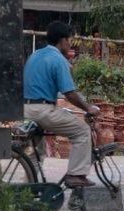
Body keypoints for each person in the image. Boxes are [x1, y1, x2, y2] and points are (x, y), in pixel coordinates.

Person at [23, 21, 102, 188]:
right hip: (43, 110)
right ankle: (76, 175)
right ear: (62, 40)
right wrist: (88, 108)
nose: (71, 44)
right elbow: (69, 93)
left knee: (37, 153)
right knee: (82, 132)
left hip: (25, 109)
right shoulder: (58, 59)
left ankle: (28, 191)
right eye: (70, 40)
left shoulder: (35, 55)